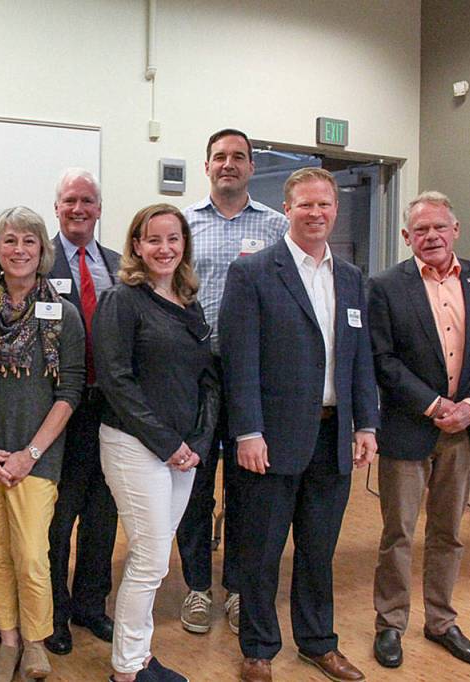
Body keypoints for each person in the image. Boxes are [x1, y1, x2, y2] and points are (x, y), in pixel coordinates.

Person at [219, 167, 379, 682]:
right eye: (305, 205)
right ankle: (260, 647)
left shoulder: (352, 278)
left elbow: (360, 360)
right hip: (270, 438)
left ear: (335, 210)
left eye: (324, 205)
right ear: (286, 210)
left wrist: (366, 424)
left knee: (318, 550)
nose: (315, 213)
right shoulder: (254, 272)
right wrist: (247, 432)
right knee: (261, 550)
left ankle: (317, 642)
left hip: (333, 437)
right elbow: (239, 360)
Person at [368, 191, 470, 669]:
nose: (431, 237)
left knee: (449, 533)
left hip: (464, 433)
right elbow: (382, 359)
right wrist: (431, 404)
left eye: (439, 228)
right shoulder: (385, 286)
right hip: (408, 429)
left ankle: (441, 621)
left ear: (455, 230)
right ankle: (390, 624)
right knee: (398, 534)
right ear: (406, 237)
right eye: (420, 230)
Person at [0, 207, 85, 682]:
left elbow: (70, 391)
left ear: (42, 250)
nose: (19, 250)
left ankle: (35, 642)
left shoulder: (62, 313)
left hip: (36, 459)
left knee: (31, 554)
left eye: (29, 241)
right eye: (9, 241)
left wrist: (30, 454)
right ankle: (7, 640)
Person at [94, 204, 218, 682]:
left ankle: (140, 655)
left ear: (184, 244)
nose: (164, 249)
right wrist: (168, 444)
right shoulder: (122, 300)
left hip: (184, 454)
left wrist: (198, 444)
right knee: (148, 559)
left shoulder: (191, 301)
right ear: (137, 246)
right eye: (154, 240)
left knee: (156, 559)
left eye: (173, 239)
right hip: (134, 445)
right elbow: (116, 380)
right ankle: (127, 668)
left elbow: (208, 379)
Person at [178, 128, 287, 636]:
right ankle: (198, 587)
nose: (228, 164)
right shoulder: (183, 226)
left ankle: (241, 589)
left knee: (249, 490)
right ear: (206, 167)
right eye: (219, 157)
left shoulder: (277, 227)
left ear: (250, 167)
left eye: (238, 157)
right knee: (194, 487)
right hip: (195, 377)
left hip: (255, 380)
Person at [45, 168, 120, 655]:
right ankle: (54, 612)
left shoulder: (117, 264)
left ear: (99, 208)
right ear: (57, 207)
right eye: (70, 200)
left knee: (103, 513)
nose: (79, 209)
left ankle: (92, 605)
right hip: (59, 410)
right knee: (57, 517)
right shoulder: (36, 257)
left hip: (110, 410)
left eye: (88, 201)